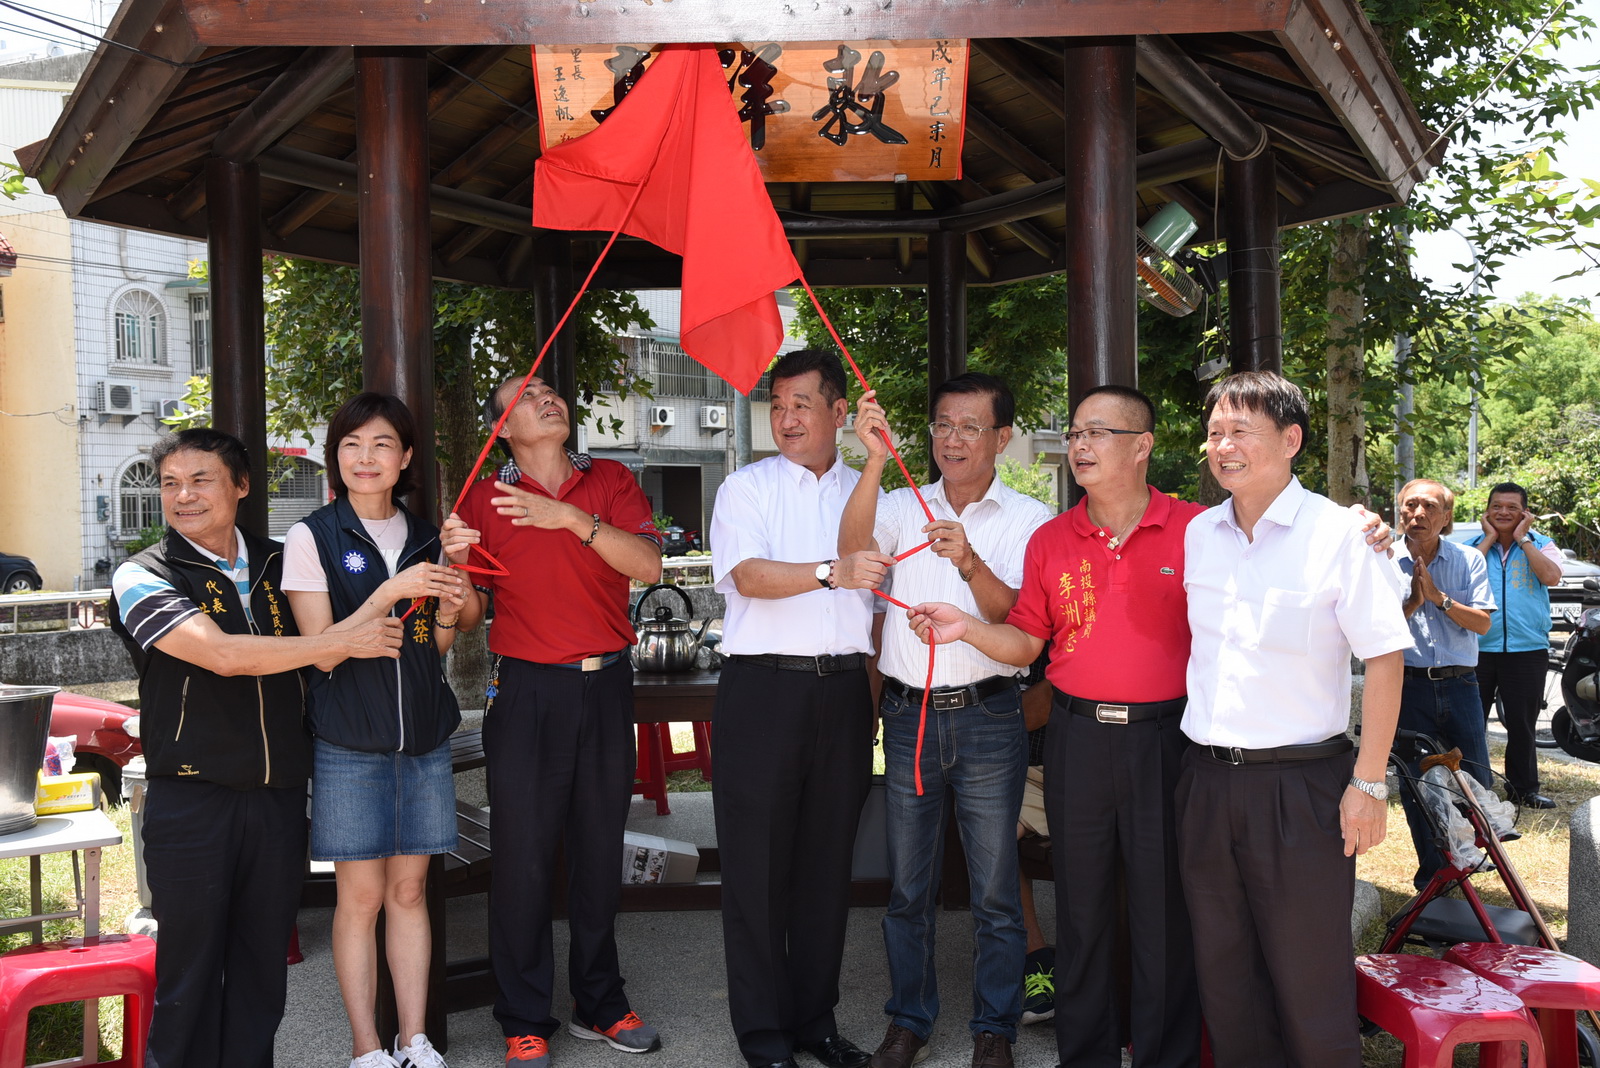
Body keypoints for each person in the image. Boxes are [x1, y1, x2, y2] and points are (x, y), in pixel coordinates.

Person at [906, 381, 1392, 1068]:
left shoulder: (1199, 528)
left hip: (1172, 741)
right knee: (1083, 910)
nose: (1079, 444)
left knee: (1167, 915)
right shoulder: (1054, 538)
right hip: (1079, 739)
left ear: (1143, 446)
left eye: (1097, 432)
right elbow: (1025, 643)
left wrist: (1368, 527)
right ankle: (1089, 1055)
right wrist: (966, 630)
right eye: (1075, 432)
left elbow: (1286, 544)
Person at [109, 428, 404, 1068]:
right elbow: (222, 654)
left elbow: (342, 639)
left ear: (241, 487)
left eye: (201, 480)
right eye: (170, 484)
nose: (183, 496)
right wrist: (340, 643)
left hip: (276, 798)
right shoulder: (142, 573)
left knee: (262, 971)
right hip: (191, 798)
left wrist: (388, 606)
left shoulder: (281, 563)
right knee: (188, 977)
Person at [1177, 371, 1408, 1068]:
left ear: (1291, 439)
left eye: (1240, 431)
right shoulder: (1199, 534)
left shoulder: (1340, 535)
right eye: (1215, 432)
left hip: (1302, 788)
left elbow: (1387, 659)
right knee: (1225, 976)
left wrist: (1369, 784)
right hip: (1206, 781)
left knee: (1310, 980)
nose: (1223, 446)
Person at [444, 375, 664, 1067]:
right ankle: (523, 1016)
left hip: (604, 687)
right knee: (524, 860)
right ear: (502, 426)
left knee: (600, 851)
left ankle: (599, 1003)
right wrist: (454, 566)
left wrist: (572, 520)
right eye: (526, 395)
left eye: (550, 390)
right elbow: (474, 614)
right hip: (526, 690)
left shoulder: (611, 481)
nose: (548, 399)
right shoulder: (483, 496)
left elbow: (649, 561)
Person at [832, 374, 1049, 1068]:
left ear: (1002, 438)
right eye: (942, 426)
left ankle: (995, 1030)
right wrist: (871, 458)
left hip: (989, 716)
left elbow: (1019, 620)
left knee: (993, 890)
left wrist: (968, 557)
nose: (952, 440)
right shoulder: (901, 502)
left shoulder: (1027, 518)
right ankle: (909, 1023)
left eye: (970, 427)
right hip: (908, 716)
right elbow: (852, 549)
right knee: (909, 887)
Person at [281, 393, 472, 1068]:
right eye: (352, 444)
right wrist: (390, 592)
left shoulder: (427, 536)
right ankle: (367, 1048)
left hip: (422, 741)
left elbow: (436, 648)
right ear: (336, 457)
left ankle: (413, 1039)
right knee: (360, 898)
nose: (367, 458)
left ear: (406, 457)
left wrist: (452, 597)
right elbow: (320, 648)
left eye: (382, 444)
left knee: (411, 892)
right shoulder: (312, 536)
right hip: (348, 745)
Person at [709, 348, 881, 1068]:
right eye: (777, 406)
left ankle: (815, 1022)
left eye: (802, 405)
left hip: (842, 691)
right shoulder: (744, 490)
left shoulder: (874, 494)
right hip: (762, 692)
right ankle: (764, 1035)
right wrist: (828, 573)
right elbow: (746, 576)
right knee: (756, 872)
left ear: (840, 414)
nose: (785, 419)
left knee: (823, 870)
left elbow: (879, 607)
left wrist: (876, 463)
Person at [1392, 478, 1496, 888]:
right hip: (1408, 686)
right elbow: (1369, 632)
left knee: (1475, 779)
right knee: (1417, 783)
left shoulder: (1468, 559)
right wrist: (1414, 602)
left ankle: (1468, 861)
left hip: (1460, 685)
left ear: (1447, 516)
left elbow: (1483, 623)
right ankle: (1434, 876)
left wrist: (1439, 599)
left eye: (1429, 507)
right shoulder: (1380, 560)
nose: (1418, 514)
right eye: (1410, 505)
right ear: (1399, 510)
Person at [1466, 481, 1564, 808]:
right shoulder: (1471, 547)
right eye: (1497, 507)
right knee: (1470, 724)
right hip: (1475, 650)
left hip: (1527, 651)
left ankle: (1524, 790)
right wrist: (1490, 539)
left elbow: (1551, 577)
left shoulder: (1542, 544)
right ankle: (1473, 791)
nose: (1503, 513)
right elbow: (1460, 579)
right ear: (1487, 511)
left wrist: (1523, 540)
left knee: (1522, 725)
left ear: (1524, 512)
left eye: (1511, 507)